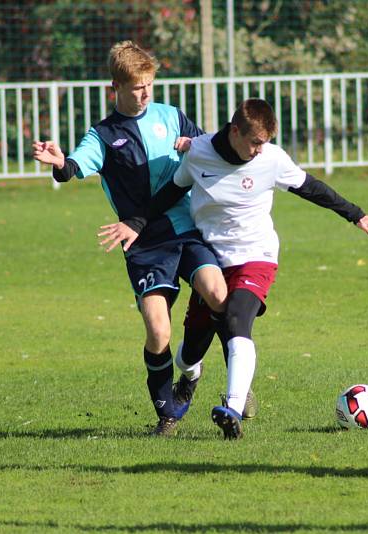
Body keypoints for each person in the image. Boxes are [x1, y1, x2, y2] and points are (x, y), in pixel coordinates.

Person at [107, 98, 368, 439]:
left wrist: (357, 214)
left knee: (237, 318)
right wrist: (135, 222)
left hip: (257, 255)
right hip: (212, 258)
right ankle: (191, 376)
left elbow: (311, 187)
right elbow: (171, 191)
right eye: (255, 142)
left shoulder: (272, 158)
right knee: (188, 354)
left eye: (264, 142)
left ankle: (233, 408)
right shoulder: (199, 152)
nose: (259, 150)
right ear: (235, 131)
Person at [31, 40, 227, 437]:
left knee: (217, 293)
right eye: (137, 86)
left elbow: (209, 150)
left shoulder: (171, 116)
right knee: (158, 330)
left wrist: (196, 144)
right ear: (115, 87)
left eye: (149, 84)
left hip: (187, 229)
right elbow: (74, 166)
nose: (145, 93)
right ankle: (168, 411)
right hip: (144, 243)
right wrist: (59, 164)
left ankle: (197, 370)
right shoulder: (103, 135)